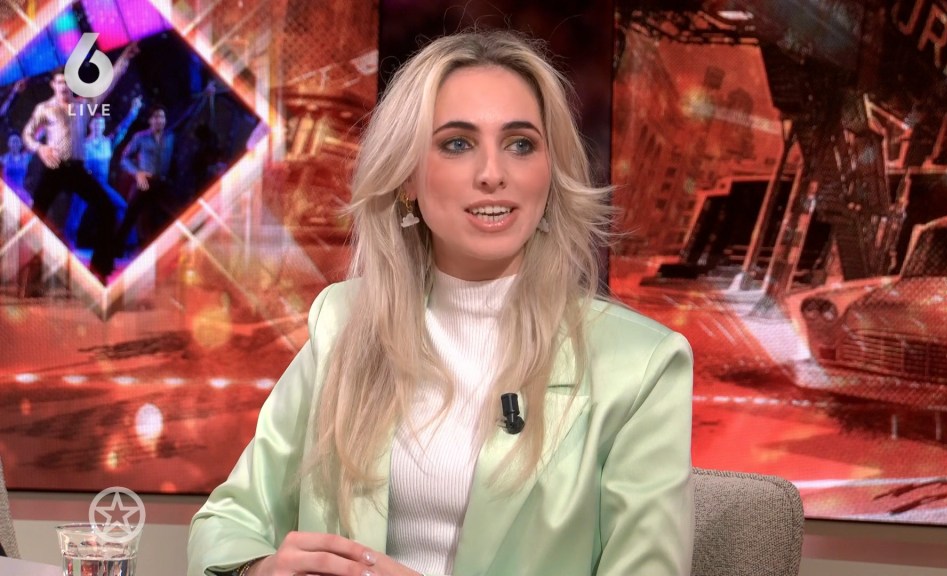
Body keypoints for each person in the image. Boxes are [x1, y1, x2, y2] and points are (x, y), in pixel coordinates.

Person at [187, 30, 694, 576]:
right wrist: (258, 569)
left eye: (520, 144)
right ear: (407, 176)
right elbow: (227, 521)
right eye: (457, 143)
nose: (493, 174)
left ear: (550, 173)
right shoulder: (342, 322)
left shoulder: (640, 367)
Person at [21, 44, 137, 282]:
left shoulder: (83, 106)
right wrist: (40, 148)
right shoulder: (45, 109)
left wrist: (124, 60)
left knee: (107, 208)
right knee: (35, 216)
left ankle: (100, 269)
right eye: (59, 83)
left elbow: (108, 84)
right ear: (53, 85)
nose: (63, 87)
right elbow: (27, 135)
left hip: (76, 169)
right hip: (54, 168)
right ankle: (31, 273)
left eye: (67, 83)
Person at [64, 96, 142, 250]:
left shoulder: (108, 142)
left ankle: (130, 244)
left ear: (104, 126)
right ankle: (68, 242)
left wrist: (133, 111)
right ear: (91, 125)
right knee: (75, 213)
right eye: (96, 124)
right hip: (86, 185)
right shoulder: (83, 144)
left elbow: (123, 128)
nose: (98, 127)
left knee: (122, 207)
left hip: (102, 186)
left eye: (101, 124)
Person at [113, 105, 175, 255]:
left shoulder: (170, 136)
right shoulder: (140, 137)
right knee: (130, 217)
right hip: (145, 182)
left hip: (162, 183)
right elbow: (124, 158)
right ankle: (115, 251)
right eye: (156, 117)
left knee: (169, 216)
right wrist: (137, 173)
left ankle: (160, 251)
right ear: (150, 120)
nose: (159, 120)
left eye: (162, 117)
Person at [0, 134, 31, 204]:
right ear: (9, 144)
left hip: (19, 192)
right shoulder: (3, 159)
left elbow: (34, 142)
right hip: (6, 192)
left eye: (17, 142)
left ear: (20, 144)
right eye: (13, 142)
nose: (15, 144)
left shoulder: (25, 158)